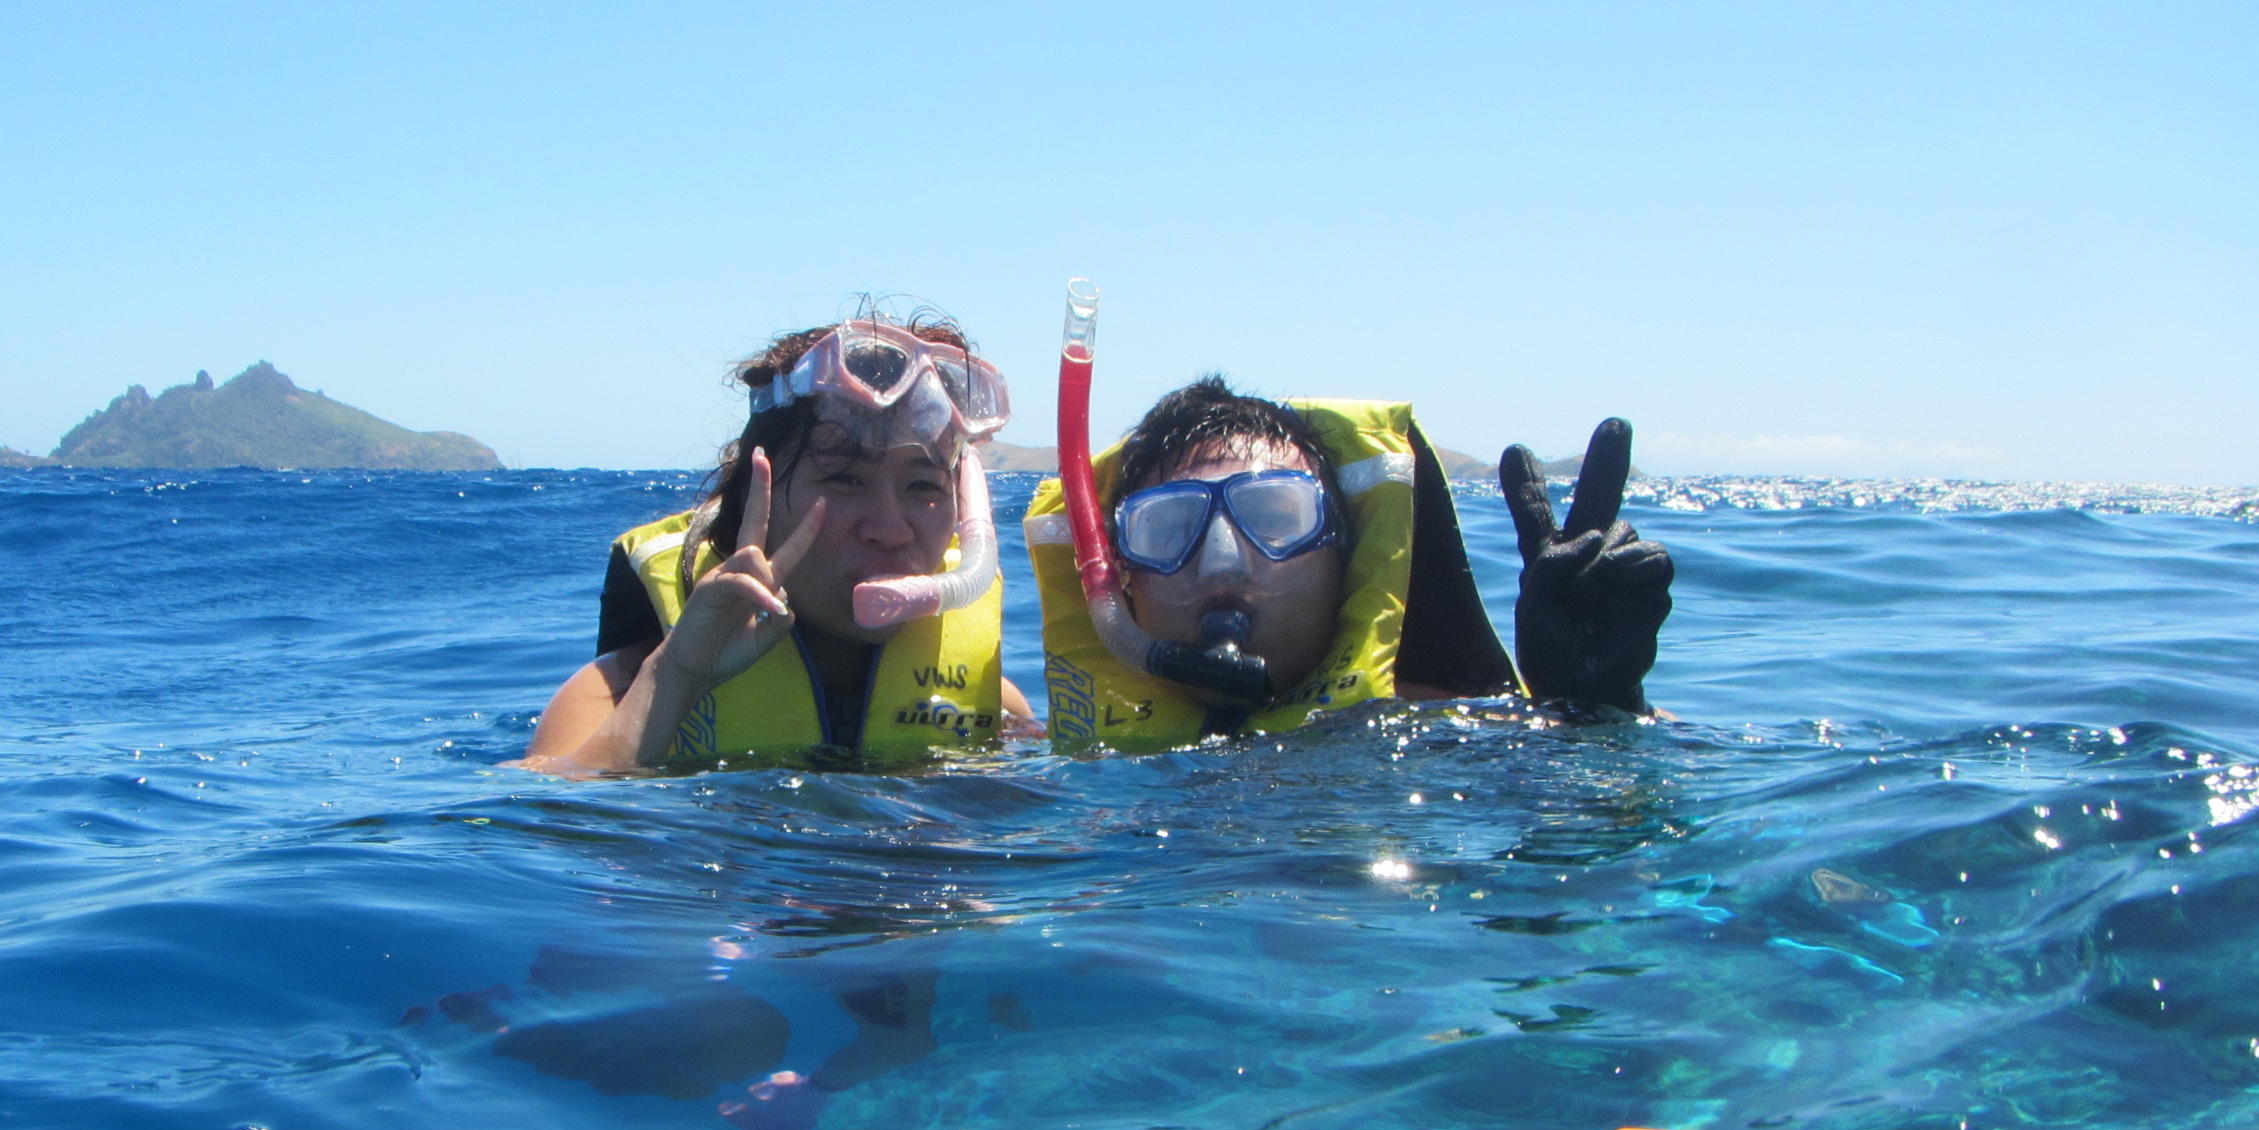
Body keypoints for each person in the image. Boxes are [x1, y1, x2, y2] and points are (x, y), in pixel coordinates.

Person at [1026, 377, 1669, 751]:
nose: (1222, 564)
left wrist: (1598, 712)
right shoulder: (1053, 754)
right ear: (1121, 579)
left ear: (1345, 558)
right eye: (1167, 530)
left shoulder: (1456, 733)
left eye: (1275, 518)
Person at [527, 312, 1032, 771]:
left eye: (923, 487)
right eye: (845, 480)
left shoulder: (997, 710)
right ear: (753, 497)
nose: (891, 529)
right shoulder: (616, 692)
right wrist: (678, 676)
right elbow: (552, 825)